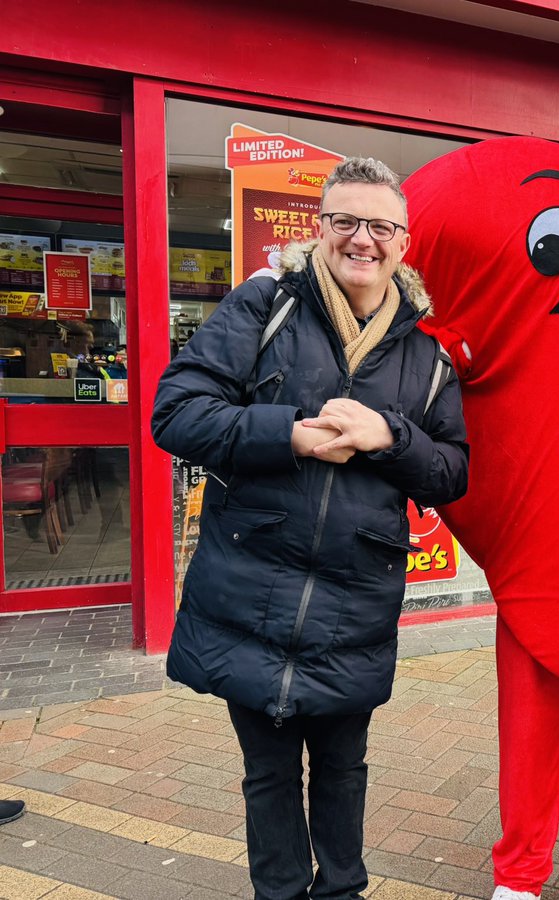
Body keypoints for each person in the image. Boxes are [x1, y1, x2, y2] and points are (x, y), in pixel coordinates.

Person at [152, 157, 469, 900]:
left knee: (342, 770)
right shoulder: (266, 306)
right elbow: (177, 411)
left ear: (404, 241)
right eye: (346, 222)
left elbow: (452, 471)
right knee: (267, 775)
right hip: (248, 589)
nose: (364, 239)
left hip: (353, 604)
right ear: (320, 229)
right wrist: (286, 433)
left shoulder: (425, 355)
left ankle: (342, 893)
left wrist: (388, 436)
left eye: (381, 225)